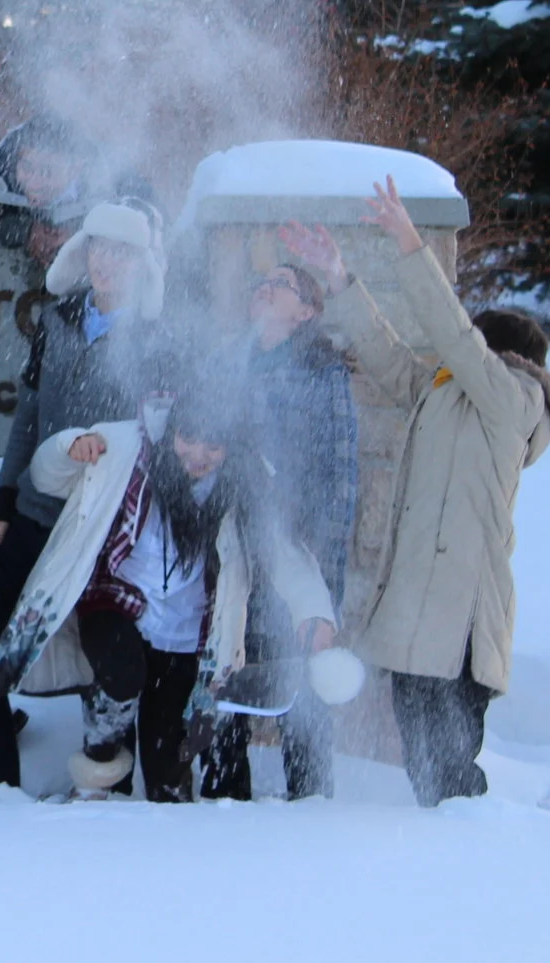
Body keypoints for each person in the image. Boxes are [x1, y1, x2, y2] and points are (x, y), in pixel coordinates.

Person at [281, 179, 550, 806]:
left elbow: (453, 336)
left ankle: (481, 865)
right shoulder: (445, 397)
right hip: (418, 620)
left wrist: (409, 242)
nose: (459, 352)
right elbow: (390, 358)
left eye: (474, 344)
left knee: (451, 776)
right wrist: (338, 277)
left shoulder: (514, 402)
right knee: (427, 774)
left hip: (463, 629)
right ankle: (448, 873)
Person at [0, 395, 338, 802]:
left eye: (214, 447)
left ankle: (168, 818)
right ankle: (96, 772)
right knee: (122, 672)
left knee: (168, 761)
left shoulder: (248, 481)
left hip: (186, 626)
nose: (197, 455)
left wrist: (313, 613)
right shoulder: (125, 446)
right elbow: (43, 475)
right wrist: (71, 446)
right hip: (115, 600)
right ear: (172, 430)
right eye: (188, 438)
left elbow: (287, 552)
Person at [0, 197, 169, 791]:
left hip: (107, 527)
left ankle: (108, 789)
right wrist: (4, 504)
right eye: (99, 246)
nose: (108, 261)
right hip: (38, 516)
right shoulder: (57, 318)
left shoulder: (160, 336)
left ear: (142, 262)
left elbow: (165, 435)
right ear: (84, 251)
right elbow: (30, 414)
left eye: (123, 251)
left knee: (109, 658)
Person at [205, 261, 359, 800]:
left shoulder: (323, 368)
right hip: (231, 545)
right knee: (226, 669)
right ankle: (225, 793)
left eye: (282, 284)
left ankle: (311, 796)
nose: (265, 287)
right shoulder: (225, 360)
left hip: (296, 547)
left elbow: (341, 471)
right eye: (261, 280)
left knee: (303, 677)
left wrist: (323, 562)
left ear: (307, 311)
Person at [0, 116, 100, 269]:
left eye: (47, 172)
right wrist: (25, 231)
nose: (34, 183)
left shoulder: (106, 184)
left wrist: (78, 236)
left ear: (74, 169)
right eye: (27, 168)